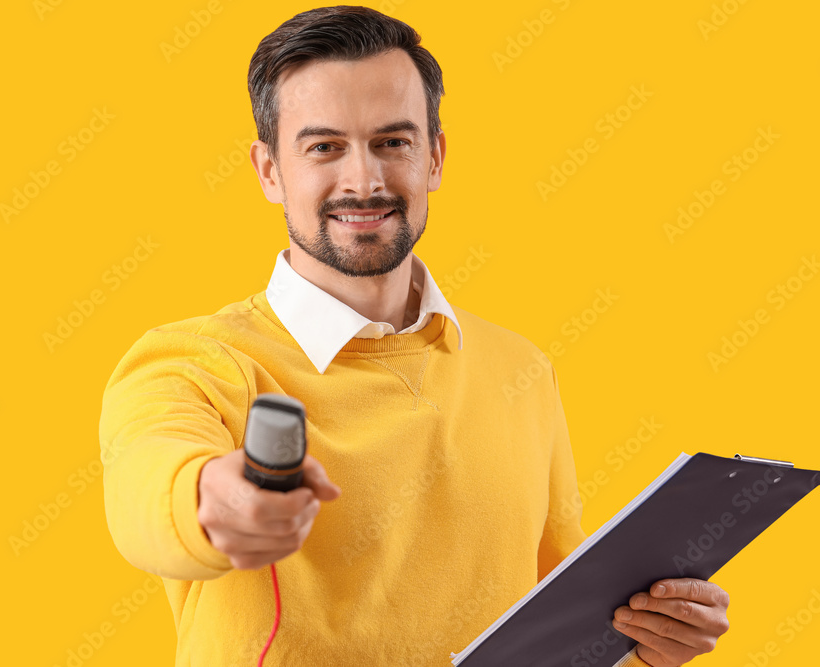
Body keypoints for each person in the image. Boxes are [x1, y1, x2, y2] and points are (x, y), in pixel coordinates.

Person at [99, 6, 730, 666]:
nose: (363, 180)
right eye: (324, 147)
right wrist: (213, 503)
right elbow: (150, 485)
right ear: (269, 171)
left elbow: (557, 620)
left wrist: (645, 641)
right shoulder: (192, 363)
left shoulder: (521, 367)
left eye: (392, 142)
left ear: (433, 156)